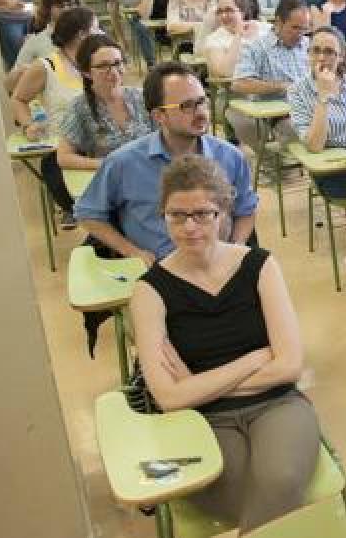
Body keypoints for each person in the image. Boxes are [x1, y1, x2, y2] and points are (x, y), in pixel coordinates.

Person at [130, 155, 318, 534]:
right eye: (176, 215)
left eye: (202, 214)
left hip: (277, 403)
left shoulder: (260, 266)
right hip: (203, 419)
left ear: (222, 213)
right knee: (244, 496)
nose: (189, 227)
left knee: (279, 480)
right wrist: (253, 360)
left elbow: (289, 366)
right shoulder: (149, 291)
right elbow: (168, 398)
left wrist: (195, 384)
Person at [75, 61, 258, 265]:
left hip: (218, 265)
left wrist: (238, 246)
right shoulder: (124, 163)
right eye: (187, 106)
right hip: (160, 271)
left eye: (202, 101)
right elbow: (88, 213)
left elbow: (246, 209)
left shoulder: (231, 157)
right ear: (159, 116)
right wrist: (132, 252)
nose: (200, 113)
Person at [288, 27, 346, 279]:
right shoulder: (298, 91)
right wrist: (323, 96)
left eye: (329, 51)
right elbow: (315, 146)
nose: (321, 57)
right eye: (316, 50)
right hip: (337, 170)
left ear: (341, 56)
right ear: (308, 54)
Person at [10, 6, 99, 227]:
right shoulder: (46, 66)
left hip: (99, 144)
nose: (101, 34)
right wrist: (28, 124)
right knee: (80, 195)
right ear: (81, 35)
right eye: (97, 29)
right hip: (61, 148)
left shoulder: (97, 62)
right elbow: (18, 99)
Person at [227, 0, 312, 157]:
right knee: (307, 133)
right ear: (278, 22)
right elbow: (239, 84)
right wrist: (281, 86)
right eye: (295, 28)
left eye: (304, 29)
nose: (300, 34)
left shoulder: (310, 45)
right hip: (281, 115)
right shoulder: (256, 48)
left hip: (314, 107)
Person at [58, 34, 153, 172]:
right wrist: (105, 164)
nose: (114, 72)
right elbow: (63, 157)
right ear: (86, 73)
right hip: (111, 179)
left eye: (117, 63)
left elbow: (165, 138)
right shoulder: (79, 107)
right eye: (103, 66)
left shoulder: (143, 97)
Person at [6, 0, 80, 92]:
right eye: (61, 6)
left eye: (71, 4)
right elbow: (9, 85)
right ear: (48, 7)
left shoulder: (88, 34)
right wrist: (24, 71)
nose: (67, 10)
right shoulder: (36, 42)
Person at [99, 0, 157, 69]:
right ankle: (151, 64)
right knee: (141, 26)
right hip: (136, 16)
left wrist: (145, 0)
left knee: (142, 24)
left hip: (153, 8)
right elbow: (114, 17)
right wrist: (121, 39)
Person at [202, 0, 270, 80]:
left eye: (229, 10)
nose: (223, 16)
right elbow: (225, 72)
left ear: (242, 12)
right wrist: (238, 36)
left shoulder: (265, 29)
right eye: (220, 12)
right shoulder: (213, 39)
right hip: (238, 90)